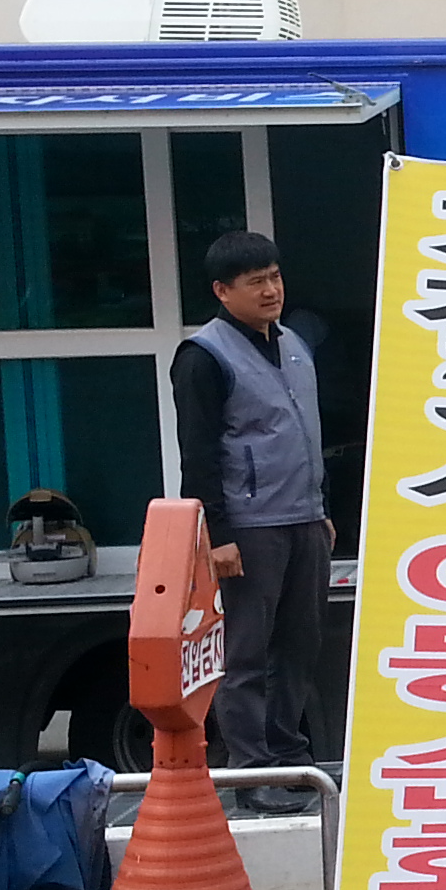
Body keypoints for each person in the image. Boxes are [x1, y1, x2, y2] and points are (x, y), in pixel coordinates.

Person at [170, 230, 330, 816]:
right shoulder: (204, 356)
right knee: (247, 654)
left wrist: (321, 509)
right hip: (250, 524)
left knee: (300, 647)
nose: (271, 290)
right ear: (222, 290)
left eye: (275, 276)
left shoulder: (293, 344)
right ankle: (250, 771)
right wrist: (219, 535)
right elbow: (199, 454)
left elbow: (303, 432)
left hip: (304, 517)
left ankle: (289, 760)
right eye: (255, 281)